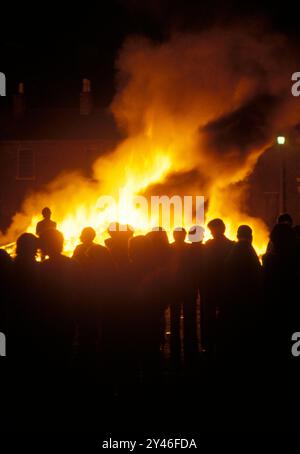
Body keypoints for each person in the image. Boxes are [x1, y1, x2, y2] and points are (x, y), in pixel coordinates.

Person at [222, 225, 262, 360]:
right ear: (250, 236)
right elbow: (256, 272)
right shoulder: (247, 249)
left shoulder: (235, 249)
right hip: (246, 296)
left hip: (236, 296)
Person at [201, 218, 235, 358]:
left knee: (208, 316)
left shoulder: (209, 245)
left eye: (211, 230)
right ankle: (224, 343)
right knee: (225, 315)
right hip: (224, 286)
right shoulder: (231, 246)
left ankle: (209, 344)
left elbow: (203, 266)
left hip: (210, 287)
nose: (211, 233)